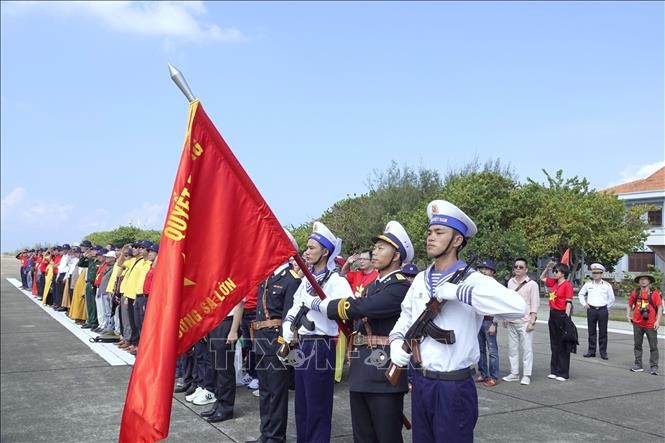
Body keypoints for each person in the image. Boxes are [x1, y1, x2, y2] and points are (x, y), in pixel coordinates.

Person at [389, 200, 527, 442]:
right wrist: (396, 342)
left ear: (457, 240)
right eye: (430, 232)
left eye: (439, 232)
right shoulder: (421, 278)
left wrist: (458, 292)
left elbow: (518, 308)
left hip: (453, 387)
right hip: (421, 383)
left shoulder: (473, 280)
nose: (431, 237)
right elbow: (406, 317)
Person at [303, 221, 414, 443]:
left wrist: (323, 305)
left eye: (382, 248)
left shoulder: (400, 286)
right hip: (362, 369)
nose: (374, 251)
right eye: (375, 247)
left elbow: (362, 308)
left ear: (396, 256)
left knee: (387, 436)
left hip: (383, 370)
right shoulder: (373, 286)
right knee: (363, 436)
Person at [281, 221, 354, 443]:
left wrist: (315, 304)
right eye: (307, 247)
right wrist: (288, 324)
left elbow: (347, 307)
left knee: (318, 404)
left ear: (325, 252)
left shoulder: (335, 280)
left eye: (312, 248)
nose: (307, 252)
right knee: (302, 404)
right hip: (302, 342)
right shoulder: (307, 281)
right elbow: (295, 305)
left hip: (320, 345)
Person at [249, 229, 301, 443]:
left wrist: (283, 347)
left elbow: (290, 318)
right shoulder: (267, 276)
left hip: (276, 345)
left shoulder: (291, 279)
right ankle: (266, 433)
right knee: (265, 391)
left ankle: (276, 437)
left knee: (277, 394)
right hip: (261, 342)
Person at [502, 258, 540, 385]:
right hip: (512, 320)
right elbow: (508, 302)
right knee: (512, 349)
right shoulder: (510, 283)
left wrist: (532, 321)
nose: (518, 269)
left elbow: (535, 304)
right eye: (516, 266)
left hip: (525, 322)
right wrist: (506, 318)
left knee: (526, 349)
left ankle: (527, 375)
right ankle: (514, 373)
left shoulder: (532, 284)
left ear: (526, 269)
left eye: (521, 267)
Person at [540, 260, 574, 381]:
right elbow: (542, 278)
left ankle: (563, 372)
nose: (555, 273)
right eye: (554, 271)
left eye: (557, 271)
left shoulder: (567, 285)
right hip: (552, 314)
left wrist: (567, 318)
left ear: (563, 273)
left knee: (563, 344)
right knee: (554, 343)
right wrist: (547, 268)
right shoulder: (554, 282)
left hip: (562, 314)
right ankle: (554, 370)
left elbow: (569, 302)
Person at [627, 273, 662, 375]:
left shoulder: (654, 294)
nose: (643, 281)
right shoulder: (635, 292)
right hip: (637, 323)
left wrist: (657, 321)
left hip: (650, 324)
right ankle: (638, 365)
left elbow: (660, 308)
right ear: (638, 282)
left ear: (649, 282)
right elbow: (629, 305)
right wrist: (628, 315)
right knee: (637, 345)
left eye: (645, 279)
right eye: (641, 279)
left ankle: (654, 367)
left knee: (653, 346)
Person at [578, 263, 615, 360]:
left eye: (598, 273)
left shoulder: (607, 285)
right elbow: (581, 294)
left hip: (602, 310)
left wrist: (606, 307)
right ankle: (591, 351)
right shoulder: (588, 284)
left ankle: (603, 352)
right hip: (591, 310)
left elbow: (612, 298)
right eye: (594, 273)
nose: (595, 275)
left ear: (601, 273)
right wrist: (584, 304)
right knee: (591, 331)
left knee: (603, 332)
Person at [475, 259, 500, 388]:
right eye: (481, 269)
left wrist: (494, 324)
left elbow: (499, 306)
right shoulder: (478, 285)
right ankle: (483, 374)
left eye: (486, 269)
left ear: (492, 272)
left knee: (492, 350)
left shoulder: (495, 286)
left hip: (489, 320)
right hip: (479, 320)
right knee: (480, 350)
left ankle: (494, 376)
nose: (483, 271)